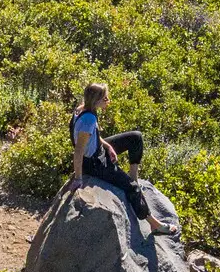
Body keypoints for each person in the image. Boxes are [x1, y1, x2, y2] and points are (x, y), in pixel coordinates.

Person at [69, 83, 168, 232]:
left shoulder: (83, 109)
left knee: (136, 137)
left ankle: (133, 176)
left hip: (98, 150)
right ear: (96, 100)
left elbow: (92, 136)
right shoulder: (88, 118)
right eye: (105, 98)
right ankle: (154, 224)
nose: (108, 101)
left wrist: (108, 147)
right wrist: (78, 178)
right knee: (132, 188)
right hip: (94, 163)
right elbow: (79, 150)